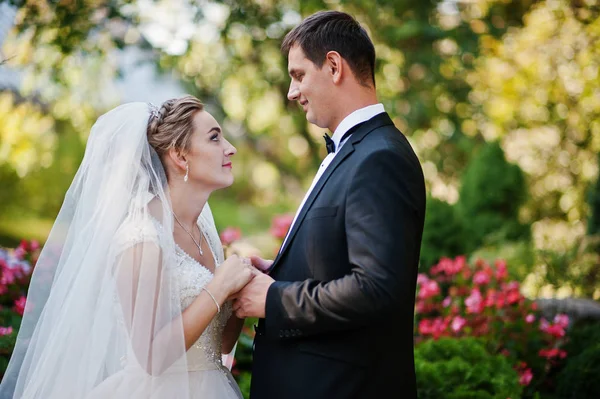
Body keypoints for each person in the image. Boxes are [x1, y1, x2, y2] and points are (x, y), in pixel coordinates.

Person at [0, 96, 256, 398]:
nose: (231, 148)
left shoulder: (204, 232)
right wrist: (218, 287)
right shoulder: (142, 237)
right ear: (181, 157)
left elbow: (220, 345)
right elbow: (151, 358)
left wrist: (238, 293)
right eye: (215, 138)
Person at [232, 10, 426, 398]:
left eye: (299, 74)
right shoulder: (356, 152)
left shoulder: (379, 158)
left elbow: (376, 289)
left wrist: (273, 298)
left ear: (334, 66)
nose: (291, 92)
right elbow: (341, 266)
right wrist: (277, 272)